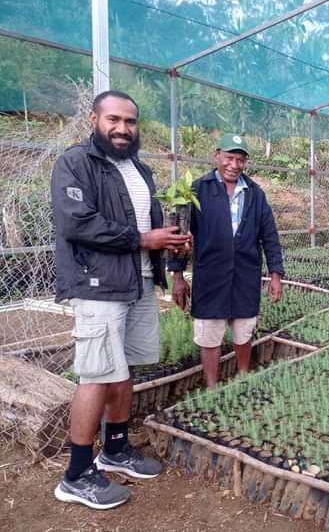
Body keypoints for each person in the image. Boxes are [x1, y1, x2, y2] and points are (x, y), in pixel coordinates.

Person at [50, 90, 191, 509]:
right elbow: (78, 223)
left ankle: (115, 448)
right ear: (94, 119)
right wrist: (145, 238)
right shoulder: (76, 163)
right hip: (99, 287)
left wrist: (172, 248)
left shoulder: (140, 171)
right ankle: (76, 474)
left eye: (130, 122)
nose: (122, 128)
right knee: (95, 375)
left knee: (123, 369)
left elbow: (148, 229)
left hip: (138, 283)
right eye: (114, 119)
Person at [170, 133, 284, 388]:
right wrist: (177, 276)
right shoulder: (198, 189)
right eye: (229, 158)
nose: (234, 165)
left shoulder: (255, 193)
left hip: (245, 275)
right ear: (217, 156)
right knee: (209, 334)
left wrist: (275, 274)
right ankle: (212, 386)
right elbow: (179, 235)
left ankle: (242, 378)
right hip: (210, 276)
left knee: (244, 331)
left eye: (240, 159)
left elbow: (270, 236)